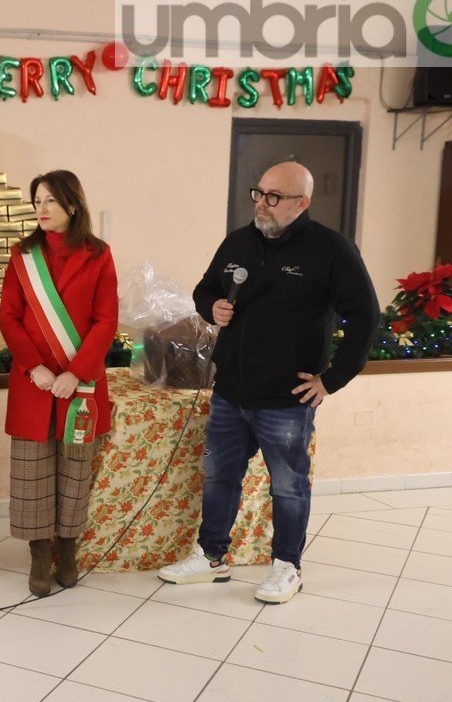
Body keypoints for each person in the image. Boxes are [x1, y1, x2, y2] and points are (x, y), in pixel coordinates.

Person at [158, 161, 379, 604]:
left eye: (274, 197)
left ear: (302, 203)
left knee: (288, 485)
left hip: (286, 397)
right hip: (230, 390)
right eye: (258, 193)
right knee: (220, 477)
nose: (262, 203)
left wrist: (331, 380)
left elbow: (366, 318)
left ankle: (287, 566)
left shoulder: (331, 250)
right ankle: (211, 557)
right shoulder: (239, 241)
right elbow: (205, 289)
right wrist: (213, 307)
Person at [0, 170, 119, 597]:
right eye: (37, 201)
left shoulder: (99, 254)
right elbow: (8, 319)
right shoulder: (22, 255)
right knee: (32, 474)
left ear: (72, 204)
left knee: (74, 472)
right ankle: (37, 556)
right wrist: (35, 367)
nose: (41, 209)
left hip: (79, 386)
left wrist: (76, 372)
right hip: (34, 383)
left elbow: (106, 320)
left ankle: (66, 552)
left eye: (50, 201)